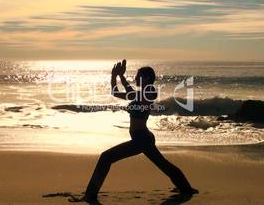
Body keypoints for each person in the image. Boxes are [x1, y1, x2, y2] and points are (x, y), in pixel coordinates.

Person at [74, 60, 198, 203]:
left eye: (138, 76)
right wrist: (114, 75)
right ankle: (186, 189)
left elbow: (132, 94)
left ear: (145, 78)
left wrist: (122, 77)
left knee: (105, 158)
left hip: (141, 139)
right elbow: (115, 92)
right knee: (163, 164)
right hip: (142, 138)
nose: (135, 78)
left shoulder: (150, 91)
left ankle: (90, 195)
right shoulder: (141, 93)